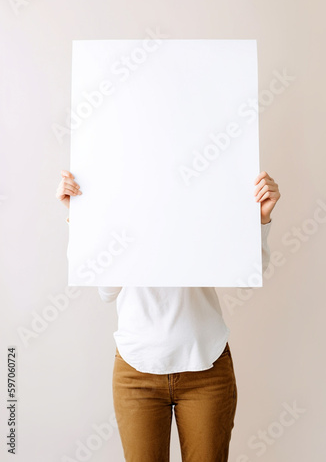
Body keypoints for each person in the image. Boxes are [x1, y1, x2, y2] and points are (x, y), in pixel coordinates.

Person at [56, 169, 280, 462]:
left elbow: (245, 274)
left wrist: (260, 220)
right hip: (136, 372)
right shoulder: (122, 198)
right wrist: (86, 216)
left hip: (205, 367)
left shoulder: (200, 191)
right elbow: (106, 291)